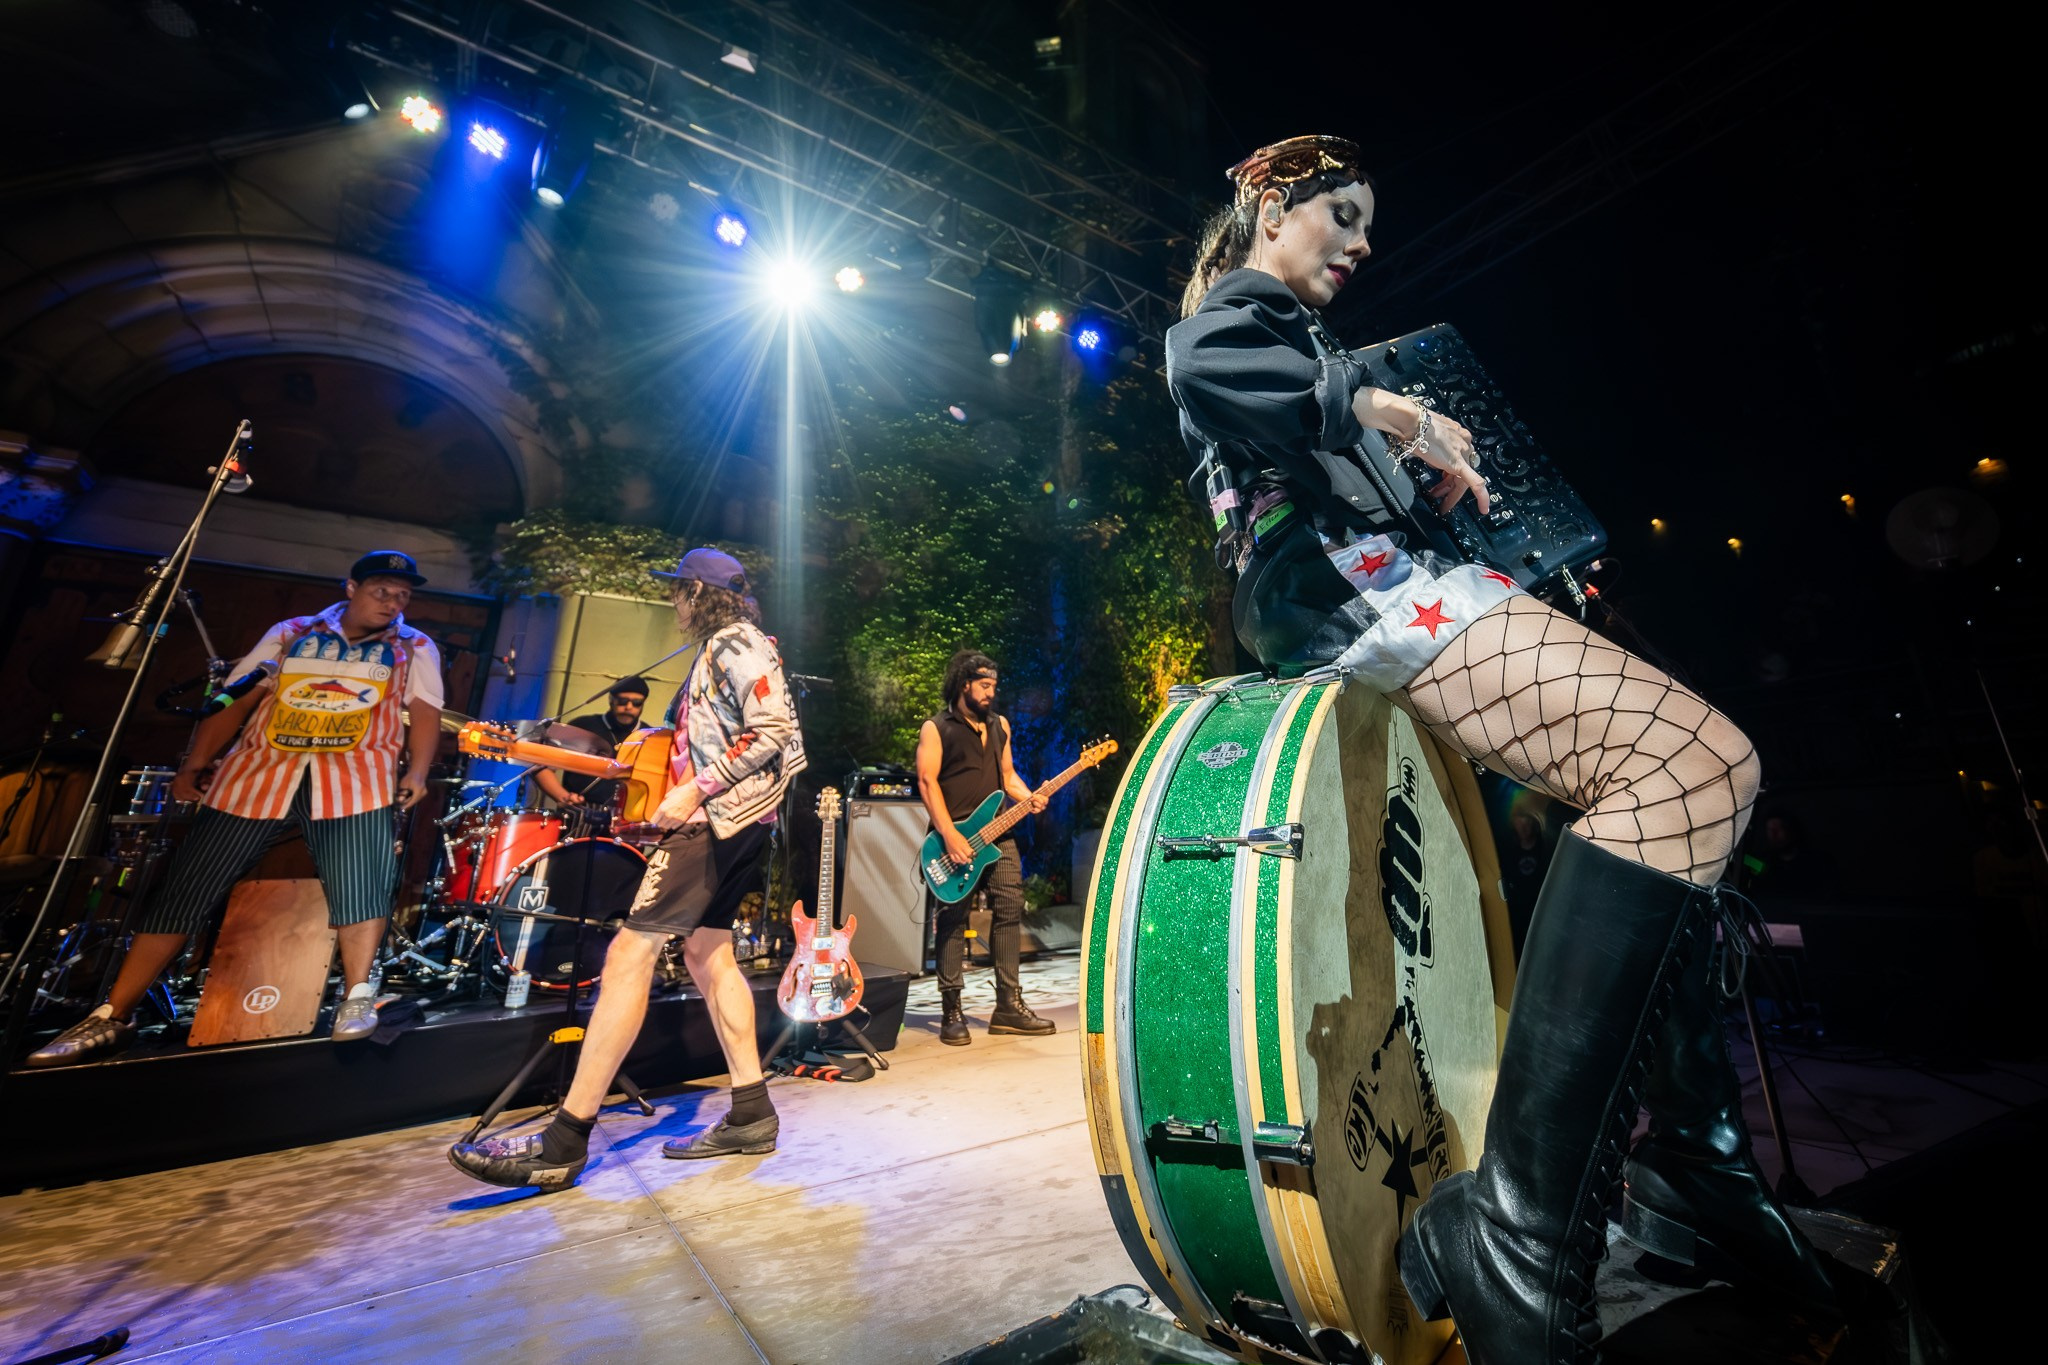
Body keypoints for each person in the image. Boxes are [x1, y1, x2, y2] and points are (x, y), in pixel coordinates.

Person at [1167, 135, 1832, 1362]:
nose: (1362, 245)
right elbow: (1203, 359)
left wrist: (1417, 468)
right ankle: (1528, 1225)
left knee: (1683, 790)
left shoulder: (1306, 340)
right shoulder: (1239, 311)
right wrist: (1380, 404)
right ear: (1270, 204)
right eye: (1343, 216)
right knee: (1693, 769)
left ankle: (1685, 1161)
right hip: (1347, 583)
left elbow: (1319, 438)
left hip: (1376, 570)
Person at [448, 548, 806, 1190]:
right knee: (708, 955)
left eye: (677, 592)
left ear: (697, 591)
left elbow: (774, 728)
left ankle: (563, 1141)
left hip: (713, 823)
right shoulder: (725, 647)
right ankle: (751, 1112)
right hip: (740, 822)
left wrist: (695, 791)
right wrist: (635, 770)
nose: (674, 603)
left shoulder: (733, 642)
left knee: (627, 958)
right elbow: (706, 742)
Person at [28, 551, 443, 1066]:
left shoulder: (414, 646)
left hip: (356, 782)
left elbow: (426, 711)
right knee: (186, 889)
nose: (393, 602)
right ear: (352, 587)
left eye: (403, 594)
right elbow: (237, 698)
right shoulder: (293, 631)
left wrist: (418, 771)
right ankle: (113, 1015)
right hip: (257, 776)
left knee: (362, 886)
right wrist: (195, 763)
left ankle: (355, 998)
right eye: (383, 590)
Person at [915, 650, 1055, 1046]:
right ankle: (952, 1010)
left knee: (1010, 910)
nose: (991, 693)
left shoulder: (999, 726)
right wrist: (950, 835)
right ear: (964, 684)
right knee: (953, 919)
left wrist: (1029, 796)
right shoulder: (936, 727)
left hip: (999, 835)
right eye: (984, 685)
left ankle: (1008, 1006)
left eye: (995, 686)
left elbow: (1007, 776)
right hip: (952, 838)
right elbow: (927, 782)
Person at [529, 676, 649, 817]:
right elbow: (541, 765)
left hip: (627, 815)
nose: (629, 707)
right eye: (623, 701)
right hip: (580, 810)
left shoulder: (648, 736)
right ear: (611, 699)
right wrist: (563, 797)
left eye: (636, 703)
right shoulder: (584, 726)